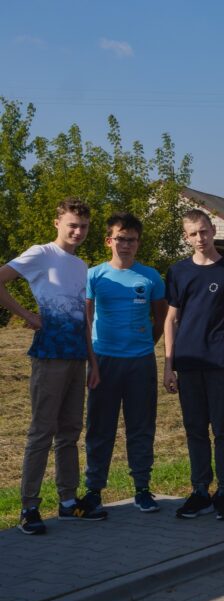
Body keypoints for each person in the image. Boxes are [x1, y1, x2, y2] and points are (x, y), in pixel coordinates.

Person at [0, 198, 105, 533]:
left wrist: (93, 362)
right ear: (57, 222)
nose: (77, 231)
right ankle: (29, 507)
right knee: (42, 432)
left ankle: (68, 502)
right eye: (72, 224)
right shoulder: (41, 254)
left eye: (84, 227)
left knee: (70, 433)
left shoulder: (81, 265)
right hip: (49, 357)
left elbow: (84, 319)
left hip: (76, 358)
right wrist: (28, 316)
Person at [82, 213, 168, 514]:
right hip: (103, 362)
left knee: (141, 428)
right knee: (99, 428)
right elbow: (86, 319)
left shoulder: (151, 277)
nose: (126, 244)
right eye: (120, 238)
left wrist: (144, 346)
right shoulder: (94, 276)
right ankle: (93, 490)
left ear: (138, 243)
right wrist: (91, 362)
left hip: (140, 363)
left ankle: (142, 489)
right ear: (109, 241)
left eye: (131, 239)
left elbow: (161, 320)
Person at [164, 210, 224, 521]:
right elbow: (171, 320)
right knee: (195, 429)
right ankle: (200, 490)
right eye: (193, 234)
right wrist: (168, 365)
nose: (200, 238)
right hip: (187, 363)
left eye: (204, 231)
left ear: (212, 230)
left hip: (221, 362)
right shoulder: (178, 272)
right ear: (186, 237)